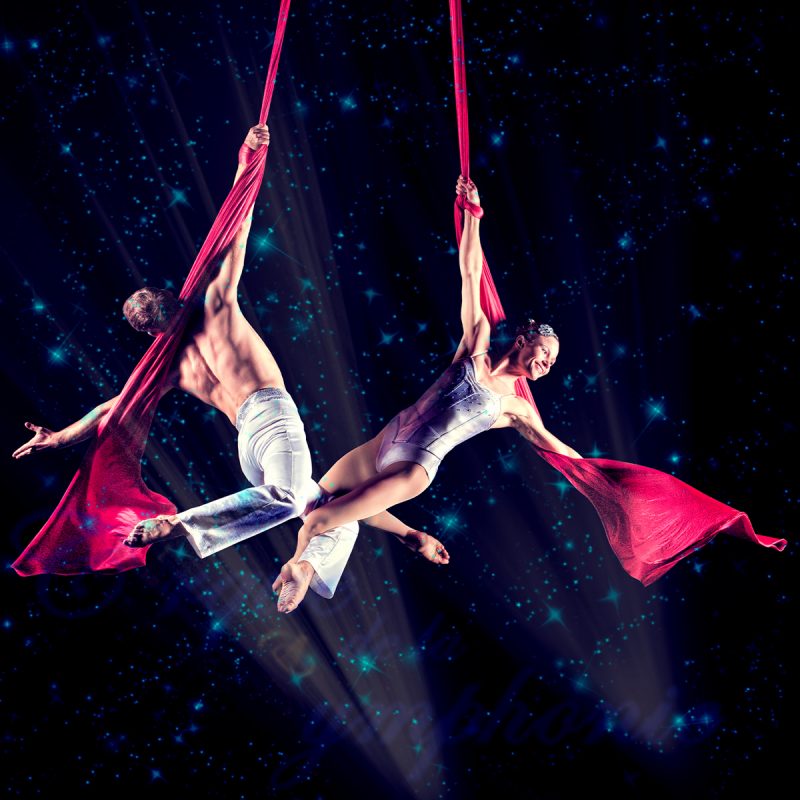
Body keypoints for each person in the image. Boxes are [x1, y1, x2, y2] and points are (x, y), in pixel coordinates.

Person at [12, 123, 446, 608]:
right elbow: (236, 231)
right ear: (173, 299)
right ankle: (179, 525)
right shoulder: (216, 306)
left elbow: (113, 410)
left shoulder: (170, 367)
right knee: (289, 498)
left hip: (247, 443)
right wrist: (247, 165)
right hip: (272, 420)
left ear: (151, 331)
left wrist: (60, 437)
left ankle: (312, 564)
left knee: (329, 509)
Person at [274, 175, 580, 613]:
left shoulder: (515, 407)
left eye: (552, 362)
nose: (548, 363)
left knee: (320, 522)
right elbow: (470, 271)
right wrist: (473, 215)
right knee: (315, 502)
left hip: (413, 467)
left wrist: (608, 479)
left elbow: (559, 449)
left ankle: (300, 569)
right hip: (383, 441)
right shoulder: (476, 346)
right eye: (546, 352)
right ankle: (410, 536)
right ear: (523, 340)